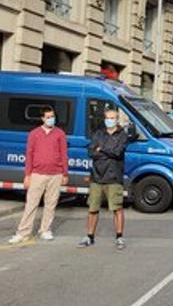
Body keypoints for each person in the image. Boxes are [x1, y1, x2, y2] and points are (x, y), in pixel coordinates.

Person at [9, 106, 68, 244]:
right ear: (42, 118)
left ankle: (45, 230)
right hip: (37, 174)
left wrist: (65, 173)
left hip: (56, 174)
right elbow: (29, 155)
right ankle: (23, 233)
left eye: (52, 116)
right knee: (31, 204)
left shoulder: (60, 134)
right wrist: (27, 175)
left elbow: (64, 154)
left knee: (50, 204)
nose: (51, 119)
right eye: (48, 117)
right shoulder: (34, 134)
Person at [79, 108, 131, 250]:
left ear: (117, 119)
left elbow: (117, 152)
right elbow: (90, 152)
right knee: (92, 208)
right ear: (104, 119)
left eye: (113, 118)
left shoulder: (122, 135)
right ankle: (89, 236)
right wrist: (104, 151)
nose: (110, 120)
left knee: (117, 208)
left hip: (114, 177)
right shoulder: (98, 134)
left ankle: (119, 237)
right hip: (97, 176)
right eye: (108, 118)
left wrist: (101, 149)